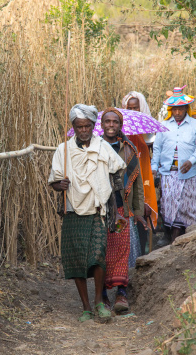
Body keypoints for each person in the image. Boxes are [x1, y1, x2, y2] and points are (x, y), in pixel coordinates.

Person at [48, 104, 126, 322]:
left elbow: (117, 172)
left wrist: (118, 208)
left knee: (98, 257)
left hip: (97, 210)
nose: (83, 130)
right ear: (73, 127)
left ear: (93, 126)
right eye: (79, 126)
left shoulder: (103, 147)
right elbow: (54, 181)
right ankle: (85, 307)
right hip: (73, 210)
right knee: (76, 260)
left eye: (87, 126)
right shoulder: (63, 151)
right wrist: (59, 185)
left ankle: (99, 303)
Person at [100, 107, 146, 313]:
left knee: (120, 249)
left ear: (120, 125)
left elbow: (136, 185)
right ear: (101, 125)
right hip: (99, 209)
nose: (111, 125)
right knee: (101, 251)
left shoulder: (129, 149)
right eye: (107, 122)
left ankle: (121, 292)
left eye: (115, 122)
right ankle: (101, 295)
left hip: (121, 206)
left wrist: (137, 212)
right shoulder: (94, 147)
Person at [151, 86, 196, 246]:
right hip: (168, 174)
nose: (177, 113)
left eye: (180, 109)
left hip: (187, 174)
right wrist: (154, 166)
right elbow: (157, 148)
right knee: (169, 206)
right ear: (171, 109)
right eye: (174, 109)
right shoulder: (164, 126)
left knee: (186, 207)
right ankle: (171, 239)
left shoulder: (195, 126)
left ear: (185, 108)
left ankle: (185, 240)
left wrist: (192, 160)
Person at [121, 91, 159, 254]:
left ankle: (142, 259)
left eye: (135, 107)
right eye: (129, 108)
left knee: (143, 219)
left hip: (143, 181)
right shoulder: (119, 132)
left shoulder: (147, 131)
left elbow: (146, 163)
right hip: (125, 183)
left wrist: (145, 198)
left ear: (141, 107)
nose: (132, 111)